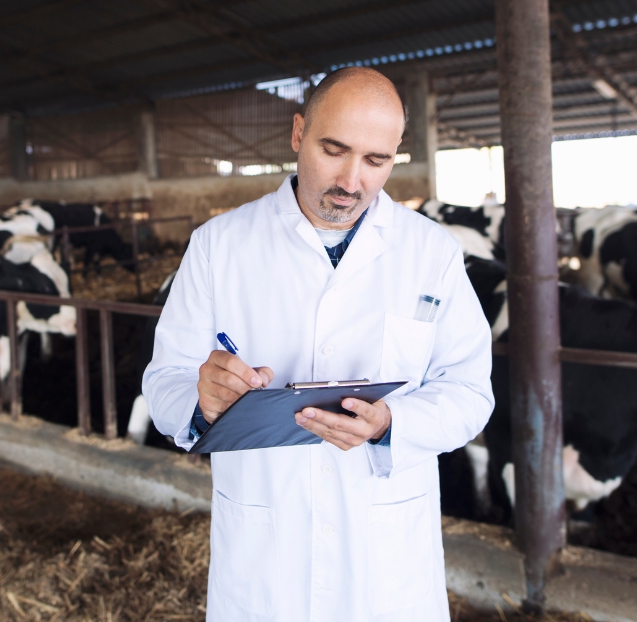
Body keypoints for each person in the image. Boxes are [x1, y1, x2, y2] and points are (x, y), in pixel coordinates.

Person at [143, 66, 494, 621]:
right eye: (333, 150)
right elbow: (165, 382)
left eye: (376, 161)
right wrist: (201, 396)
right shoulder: (219, 245)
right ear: (298, 133)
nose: (351, 181)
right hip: (265, 549)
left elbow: (471, 392)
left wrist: (390, 424)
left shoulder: (432, 252)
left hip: (385, 552)